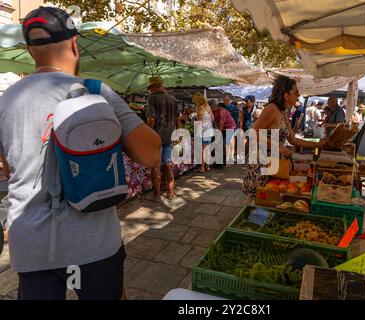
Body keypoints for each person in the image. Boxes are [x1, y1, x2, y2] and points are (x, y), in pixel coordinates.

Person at [0, 7, 161, 300]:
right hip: (92, 245)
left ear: (29, 51)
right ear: (75, 44)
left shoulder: (5, 101)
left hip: (32, 246)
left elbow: (8, 171)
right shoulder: (94, 91)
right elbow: (151, 156)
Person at [242, 75, 328, 201]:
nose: (298, 95)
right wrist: (278, 146)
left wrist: (318, 145)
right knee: (258, 200)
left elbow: (293, 140)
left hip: (274, 163)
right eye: (296, 92)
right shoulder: (271, 109)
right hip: (261, 164)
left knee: (270, 199)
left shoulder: (283, 113)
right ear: (286, 95)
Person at [146, 76, 179, 201]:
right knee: (168, 165)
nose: (150, 91)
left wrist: (147, 133)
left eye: (150, 89)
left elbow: (151, 119)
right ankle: (171, 193)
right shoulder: (173, 99)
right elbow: (177, 120)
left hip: (156, 138)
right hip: (169, 137)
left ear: (154, 87)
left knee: (156, 166)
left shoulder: (152, 98)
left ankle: (157, 195)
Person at [211, 100, 236, 168]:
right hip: (221, 128)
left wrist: (219, 133)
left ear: (215, 106)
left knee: (226, 144)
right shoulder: (212, 111)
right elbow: (215, 121)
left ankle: (228, 161)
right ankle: (220, 161)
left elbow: (222, 122)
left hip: (229, 127)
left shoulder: (222, 111)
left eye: (212, 108)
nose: (211, 109)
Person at [193, 93, 214, 173]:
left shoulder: (200, 108)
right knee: (207, 148)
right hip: (209, 129)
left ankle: (202, 167)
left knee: (202, 150)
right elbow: (212, 118)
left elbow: (199, 121)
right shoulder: (208, 107)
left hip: (202, 130)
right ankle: (207, 166)